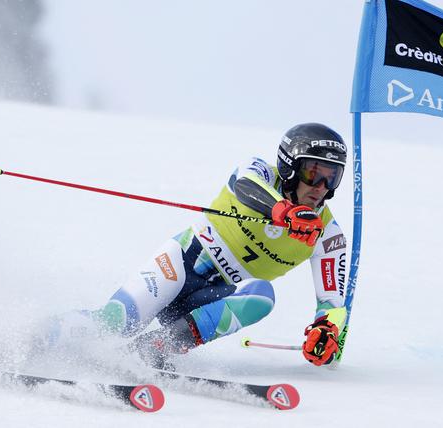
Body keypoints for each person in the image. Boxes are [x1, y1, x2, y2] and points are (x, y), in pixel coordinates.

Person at [91, 123, 349, 368]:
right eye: (313, 173)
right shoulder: (260, 171)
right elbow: (244, 186)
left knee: (262, 296)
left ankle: (156, 347)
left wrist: (326, 329)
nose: (321, 187)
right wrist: (284, 211)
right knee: (116, 321)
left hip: (208, 301)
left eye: (332, 177)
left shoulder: (327, 234)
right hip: (177, 268)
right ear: (289, 167)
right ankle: (55, 333)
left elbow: (332, 303)